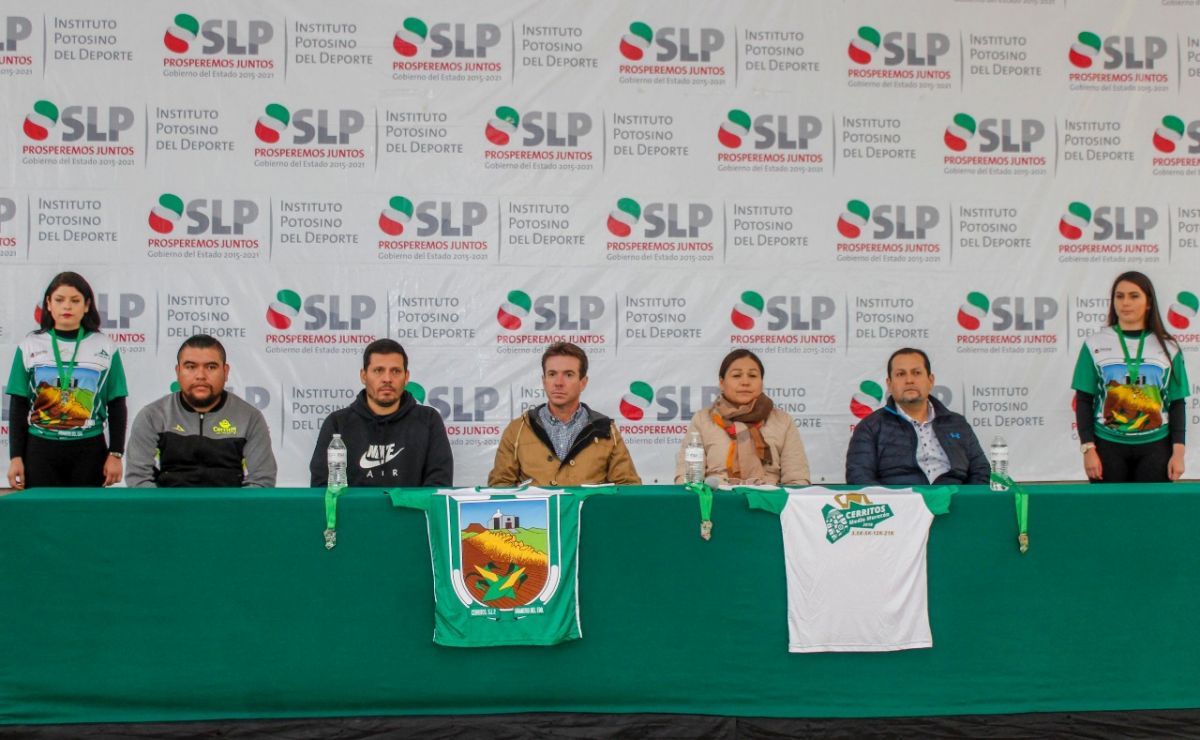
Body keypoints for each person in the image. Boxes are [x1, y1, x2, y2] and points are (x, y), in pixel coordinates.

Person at [6, 272, 128, 489]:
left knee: (85, 510)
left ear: (87, 305)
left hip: (89, 449)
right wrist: (15, 457)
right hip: (40, 449)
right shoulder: (29, 345)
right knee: (42, 509)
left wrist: (116, 453)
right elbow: (18, 405)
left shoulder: (105, 346)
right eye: (60, 300)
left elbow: (117, 404)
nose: (67, 306)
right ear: (48, 304)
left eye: (75, 300)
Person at [1072, 271, 1188, 483]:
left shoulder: (1169, 347)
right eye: (1120, 296)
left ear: (1149, 303)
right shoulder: (1094, 343)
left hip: (1156, 447)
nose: (1125, 303)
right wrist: (1088, 449)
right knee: (1109, 505)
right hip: (1107, 447)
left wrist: (1178, 454)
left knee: (1151, 505)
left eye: (1134, 296)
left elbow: (1177, 403)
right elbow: (1084, 400)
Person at [126, 335, 276, 488]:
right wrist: (166, 504)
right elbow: (138, 479)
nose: (200, 376)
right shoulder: (152, 416)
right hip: (168, 503)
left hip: (230, 503)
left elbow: (262, 480)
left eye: (211, 367)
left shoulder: (250, 418)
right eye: (191, 367)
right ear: (178, 371)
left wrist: (233, 504)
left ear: (225, 372)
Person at [488, 342, 640, 487]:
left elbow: (628, 487)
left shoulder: (605, 430)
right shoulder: (517, 430)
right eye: (552, 374)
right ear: (544, 381)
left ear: (583, 382)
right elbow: (500, 487)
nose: (558, 382)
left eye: (568, 375)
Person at [309, 339, 453, 488]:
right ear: (363, 376)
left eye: (395, 371)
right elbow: (322, 487)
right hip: (355, 505)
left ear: (406, 377)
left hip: (411, 505)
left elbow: (439, 484)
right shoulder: (338, 423)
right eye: (378, 370)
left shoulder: (428, 420)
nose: (387, 379)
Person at [846, 348, 989, 486]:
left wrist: (963, 499)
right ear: (889, 384)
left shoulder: (957, 423)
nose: (909, 380)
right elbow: (859, 478)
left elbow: (981, 471)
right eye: (901, 374)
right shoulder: (870, 427)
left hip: (955, 499)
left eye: (917, 373)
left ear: (930, 380)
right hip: (901, 501)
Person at [674, 349, 810, 485]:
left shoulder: (782, 420)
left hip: (768, 497)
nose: (745, 382)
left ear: (762, 382)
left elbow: (797, 480)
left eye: (752, 375)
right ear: (722, 383)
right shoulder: (703, 419)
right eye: (736, 375)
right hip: (717, 497)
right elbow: (686, 479)